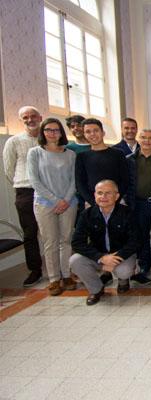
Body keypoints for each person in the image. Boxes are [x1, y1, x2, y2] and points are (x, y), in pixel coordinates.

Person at [26, 118, 77, 295]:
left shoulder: (70, 154)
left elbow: (74, 180)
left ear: (61, 132)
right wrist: (55, 200)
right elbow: (34, 180)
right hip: (44, 203)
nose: (53, 133)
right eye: (48, 130)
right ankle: (54, 279)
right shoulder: (35, 153)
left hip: (69, 203)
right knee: (50, 242)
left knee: (66, 240)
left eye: (56, 130)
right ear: (43, 132)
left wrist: (66, 200)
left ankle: (66, 274)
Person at [70, 180, 139, 305]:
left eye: (108, 193)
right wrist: (101, 258)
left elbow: (135, 241)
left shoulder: (127, 213)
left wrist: (116, 258)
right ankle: (96, 289)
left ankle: (123, 281)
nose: (103, 197)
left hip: (122, 255)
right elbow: (77, 243)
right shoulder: (87, 214)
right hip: (99, 255)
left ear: (117, 196)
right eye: (100, 193)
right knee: (75, 260)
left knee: (123, 271)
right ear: (95, 195)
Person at [3, 106, 44, 286]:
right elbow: (8, 169)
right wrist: (24, 183)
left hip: (48, 191)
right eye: (25, 117)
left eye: (33, 116)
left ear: (40, 117)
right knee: (30, 233)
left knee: (53, 233)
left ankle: (60, 270)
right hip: (25, 191)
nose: (30, 119)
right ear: (21, 120)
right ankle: (35, 270)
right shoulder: (13, 141)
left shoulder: (48, 139)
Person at [126, 128, 151, 285]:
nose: (147, 141)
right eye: (143, 137)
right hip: (138, 203)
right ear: (138, 139)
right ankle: (145, 267)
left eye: (150, 138)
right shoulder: (129, 160)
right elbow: (125, 182)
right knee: (142, 236)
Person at [75, 118, 129, 206]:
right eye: (88, 132)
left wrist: (115, 199)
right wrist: (94, 202)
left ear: (103, 133)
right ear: (84, 135)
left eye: (96, 130)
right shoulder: (82, 157)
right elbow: (80, 184)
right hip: (92, 203)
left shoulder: (118, 154)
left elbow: (125, 179)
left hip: (116, 202)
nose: (92, 134)